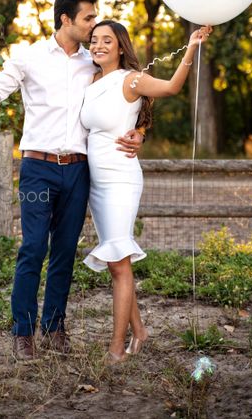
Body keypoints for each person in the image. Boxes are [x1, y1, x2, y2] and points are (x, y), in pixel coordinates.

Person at [0, 0, 145, 361]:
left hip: (79, 172)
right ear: (66, 19)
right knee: (33, 249)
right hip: (38, 170)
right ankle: (23, 333)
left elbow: (135, 96)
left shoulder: (95, 64)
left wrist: (141, 132)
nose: (94, 24)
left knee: (65, 252)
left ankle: (54, 328)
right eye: (88, 17)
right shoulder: (28, 56)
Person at [80, 19, 212, 363]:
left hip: (121, 178)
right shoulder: (90, 79)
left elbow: (170, 88)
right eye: (94, 40)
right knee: (116, 263)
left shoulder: (132, 79)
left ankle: (115, 349)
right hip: (95, 181)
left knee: (119, 262)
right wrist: (140, 128)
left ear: (121, 46)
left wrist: (192, 47)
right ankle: (139, 332)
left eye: (107, 40)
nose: (98, 45)